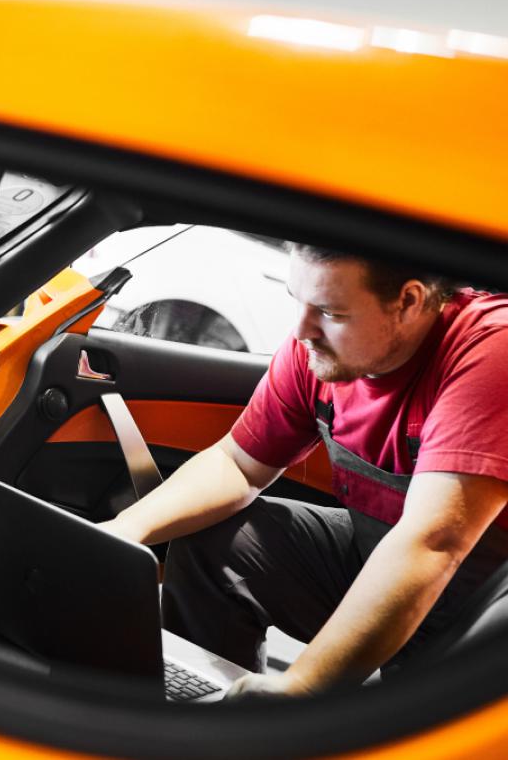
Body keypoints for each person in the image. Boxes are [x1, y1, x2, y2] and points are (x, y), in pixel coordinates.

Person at [101, 244, 508, 698]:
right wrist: (122, 532)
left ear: (409, 302)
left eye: (331, 313)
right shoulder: (321, 353)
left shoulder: (492, 352)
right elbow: (237, 465)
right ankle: (207, 708)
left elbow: (433, 542)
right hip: (388, 548)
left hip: (483, 600)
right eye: (298, 301)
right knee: (217, 539)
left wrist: (304, 684)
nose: (301, 330)